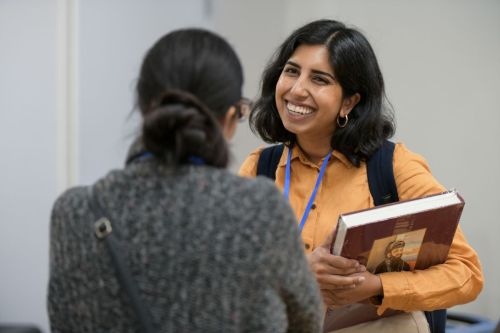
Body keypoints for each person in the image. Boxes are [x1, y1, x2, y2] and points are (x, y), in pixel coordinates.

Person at [47, 28, 322, 333]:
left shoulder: (73, 212)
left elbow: (64, 322)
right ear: (230, 119)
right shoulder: (260, 208)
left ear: (142, 107)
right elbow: (305, 323)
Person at [239, 19, 483, 332]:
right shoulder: (259, 168)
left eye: (320, 79)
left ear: (349, 102)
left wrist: (377, 286)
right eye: (291, 71)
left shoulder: (393, 168)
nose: (297, 90)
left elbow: (466, 273)